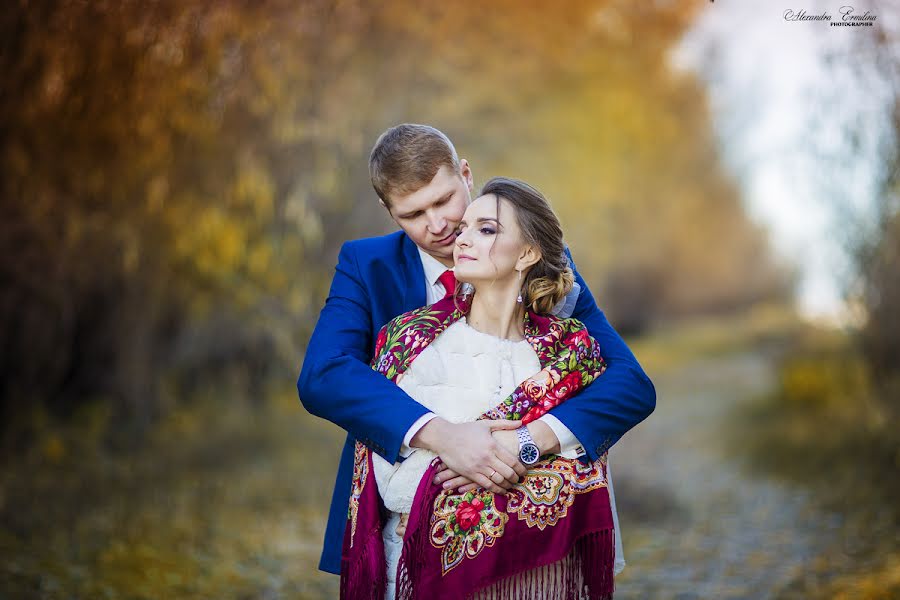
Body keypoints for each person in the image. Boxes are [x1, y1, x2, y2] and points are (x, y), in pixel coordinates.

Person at [297, 124, 655, 578]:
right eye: (413, 214)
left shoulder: (543, 262)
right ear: (389, 213)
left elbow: (629, 383)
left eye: (443, 200)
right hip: (401, 534)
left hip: (531, 542)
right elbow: (323, 375)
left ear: (465, 174)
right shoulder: (367, 266)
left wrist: (525, 443)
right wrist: (445, 436)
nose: (438, 225)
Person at [343, 177, 624, 598]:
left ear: (527, 253)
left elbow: (588, 479)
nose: (462, 238)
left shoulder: (568, 353)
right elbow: (395, 488)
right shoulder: (411, 341)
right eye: (466, 227)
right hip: (427, 577)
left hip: (536, 577)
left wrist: (496, 460)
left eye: (486, 229)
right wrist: (519, 472)